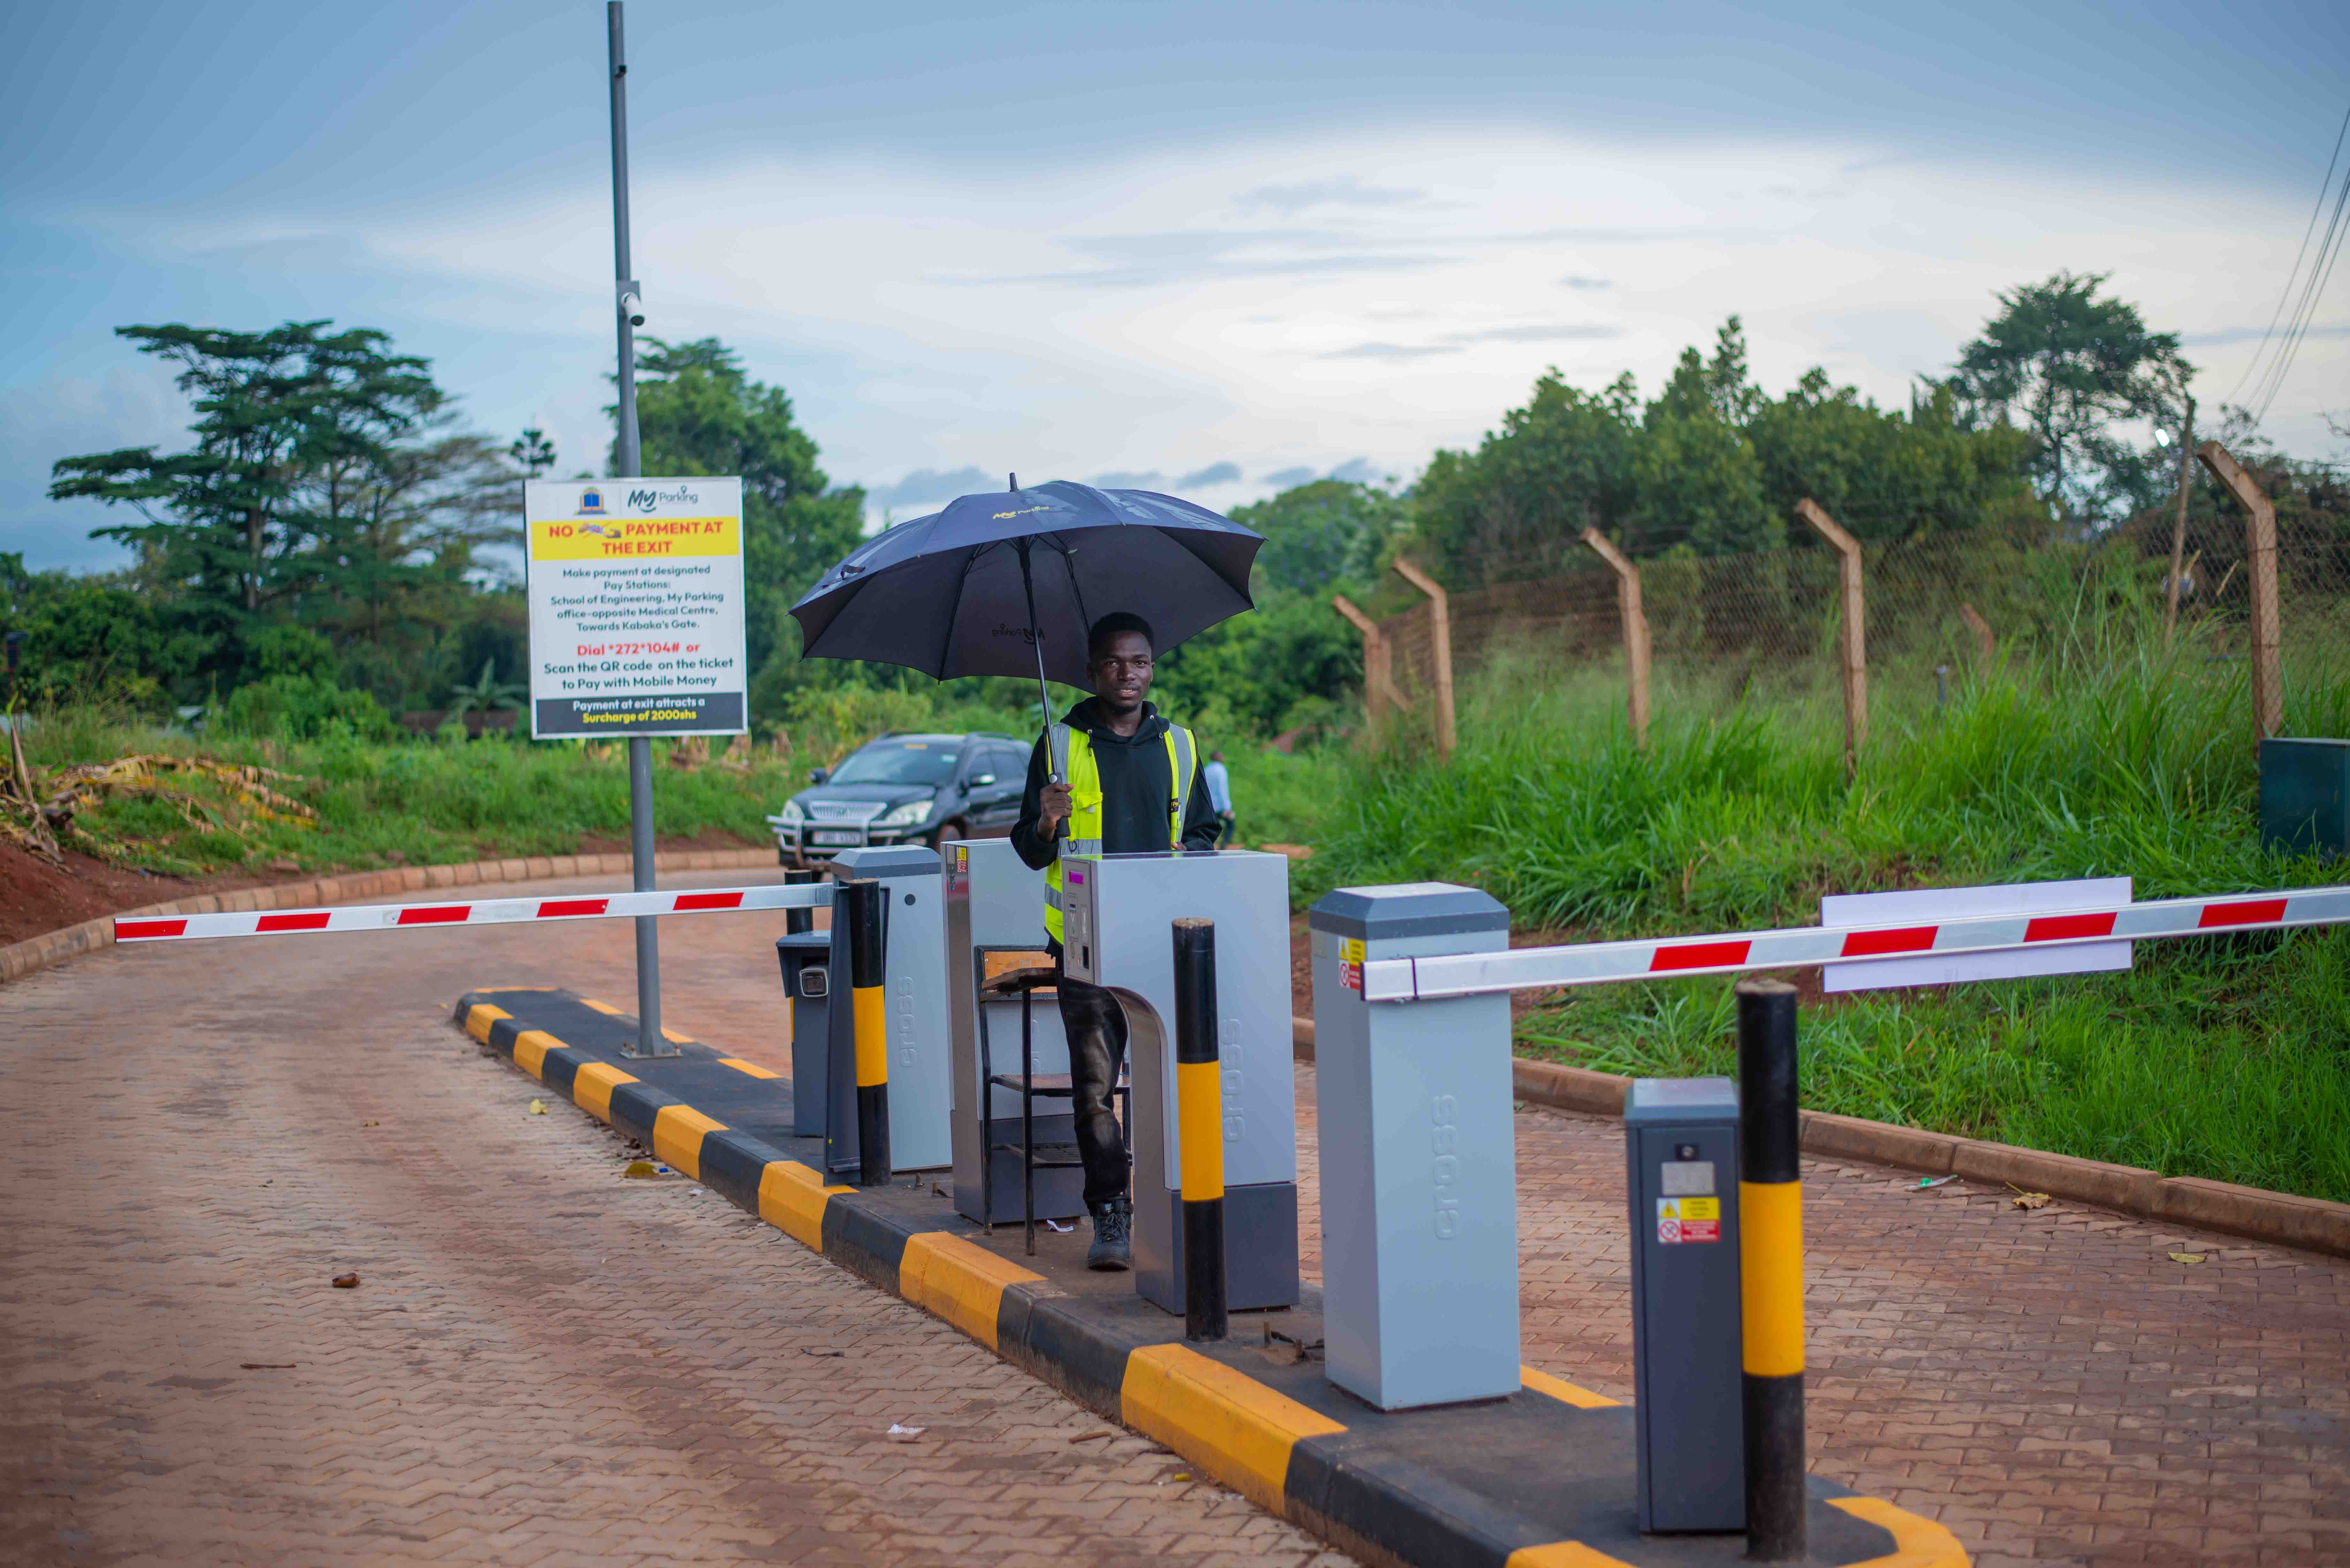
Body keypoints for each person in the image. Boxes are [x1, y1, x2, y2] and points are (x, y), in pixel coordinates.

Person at [1010, 611, 1221, 1269]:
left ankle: (1182, 1202)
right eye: (1112, 663)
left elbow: (1205, 834)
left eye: (1139, 661)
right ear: (1093, 670)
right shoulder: (1057, 744)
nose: (1127, 674)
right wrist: (1046, 821)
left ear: (1152, 667)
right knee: (1095, 1090)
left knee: (1176, 1080)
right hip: (1084, 944)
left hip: (1165, 943)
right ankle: (1110, 1211)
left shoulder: (1180, 745)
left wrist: (1187, 863)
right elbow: (1025, 849)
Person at [1202, 748, 1235, 846]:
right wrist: (1227, 808)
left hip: (1208, 805)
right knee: (1231, 825)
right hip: (1219, 806)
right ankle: (1223, 846)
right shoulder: (1221, 770)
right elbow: (1223, 790)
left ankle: (1208, 846)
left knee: (1208, 828)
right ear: (1218, 758)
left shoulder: (1207, 769)